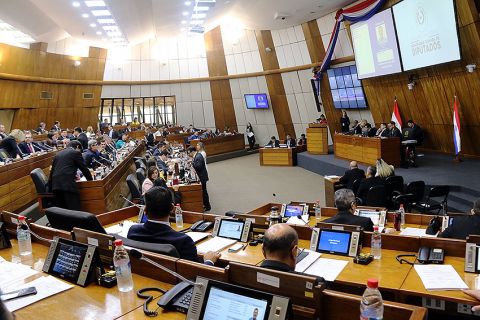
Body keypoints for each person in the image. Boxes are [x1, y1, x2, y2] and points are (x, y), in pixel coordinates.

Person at [127, 187, 220, 264]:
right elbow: (195, 275)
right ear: (172, 208)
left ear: (145, 210)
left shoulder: (133, 231)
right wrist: (209, 261)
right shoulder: (183, 241)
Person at [49, 140, 93, 210]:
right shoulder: (75, 153)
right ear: (78, 147)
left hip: (56, 185)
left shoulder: (58, 154)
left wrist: (50, 187)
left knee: (62, 211)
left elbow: (53, 171)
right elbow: (84, 168)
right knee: (74, 210)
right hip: (67, 184)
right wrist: (91, 182)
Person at [188, 146, 211, 212]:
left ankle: (207, 206)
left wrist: (192, 162)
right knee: (203, 191)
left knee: (204, 192)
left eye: (189, 153)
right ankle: (205, 205)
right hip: (201, 176)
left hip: (202, 177)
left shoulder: (198, 156)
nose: (189, 154)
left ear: (193, 151)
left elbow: (198, 167)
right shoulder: (197, 155)